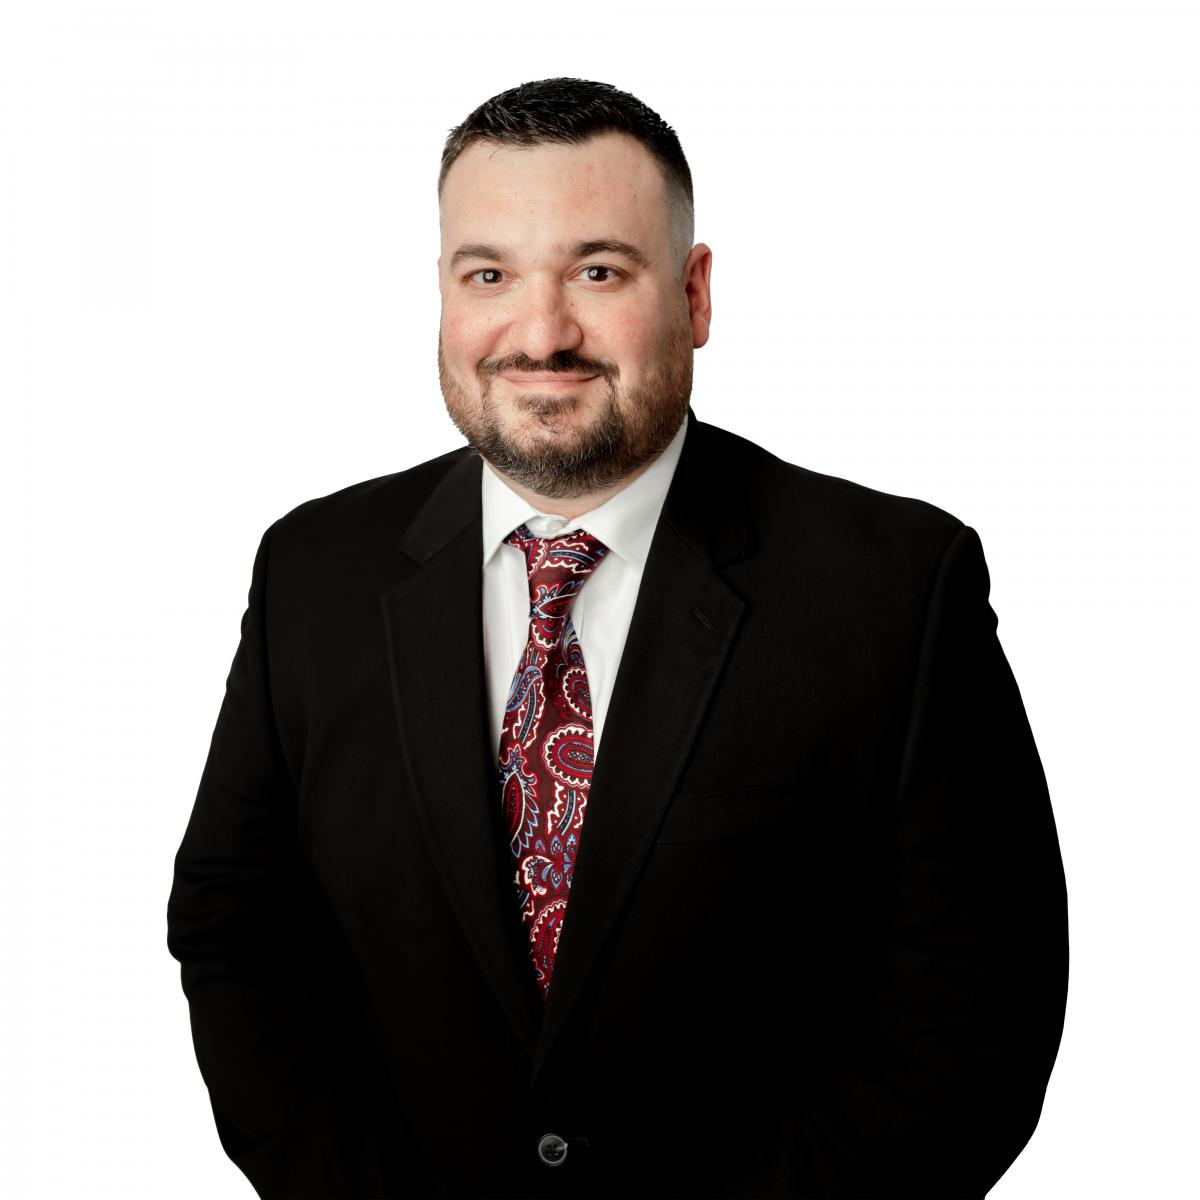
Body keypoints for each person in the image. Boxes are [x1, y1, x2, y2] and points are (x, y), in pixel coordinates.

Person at [167, 77, 1069, 1199]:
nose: (542, 334)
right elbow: (240, 927)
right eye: (489, 275)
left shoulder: (896, 587)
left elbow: (976, 1004)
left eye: (599, 272)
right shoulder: (313, 570)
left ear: (694, 294)